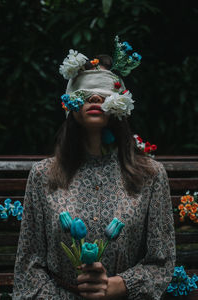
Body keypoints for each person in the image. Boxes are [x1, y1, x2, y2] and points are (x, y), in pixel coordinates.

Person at [13, 39, 176, 300]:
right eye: (86, 93)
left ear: (119, 103)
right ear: (70, 104)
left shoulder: (150, 176)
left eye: (102, 92)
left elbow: (161, 262)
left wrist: (121, 285)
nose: (96, 98)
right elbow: (29, 267)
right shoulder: (43, 175)